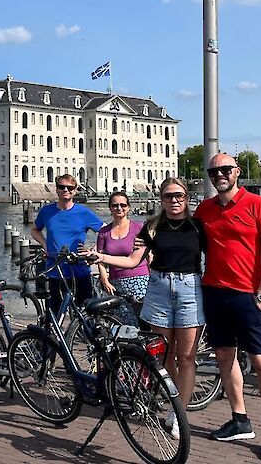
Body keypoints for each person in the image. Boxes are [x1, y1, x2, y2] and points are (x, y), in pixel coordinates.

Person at [195, 153, 261, 461]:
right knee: (224, 356)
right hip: (214, 292)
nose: (219, 175)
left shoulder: (258, 204)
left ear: (237, 172)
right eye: (213, 171)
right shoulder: (205, 209)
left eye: (225, 170)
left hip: (247, 295)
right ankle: (240, 419)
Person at [115, 180, 205, 441]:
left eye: (179, 195)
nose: (174, 200)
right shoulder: (152, 227)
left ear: (186, 197)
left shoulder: (198, 227)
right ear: (161, 199)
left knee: (186, 357)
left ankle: (179, 414)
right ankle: (175, 400)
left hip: (189, 290)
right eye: (168, 196)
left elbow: (214, 258)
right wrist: (101, 257)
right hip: (159, 290)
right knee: (165, 355)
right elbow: (133, 260)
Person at [30, 174, 104, 314]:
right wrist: (45, 245)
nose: (66, 190)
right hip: (55, 270)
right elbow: (34, 230)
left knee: (86, 313)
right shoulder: (47, 211)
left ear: (75, 191)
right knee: (55, 313)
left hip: (79, 269)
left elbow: (105, 232)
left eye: (69, 188)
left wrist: (93, 250)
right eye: (62, 187)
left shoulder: (83, 213)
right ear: (57, 189)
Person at [83, 191, 149, 327]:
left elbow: (149, 255)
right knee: (122, 323)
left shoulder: (139, 228)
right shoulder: (104, 232)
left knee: (143, 321)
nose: (119, 208)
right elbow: (100, 258)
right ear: (110, 208)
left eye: (123, 205)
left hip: (140, 281)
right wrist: (105, 280)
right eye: (115, 205)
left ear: (128, 207)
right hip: (116, 283)